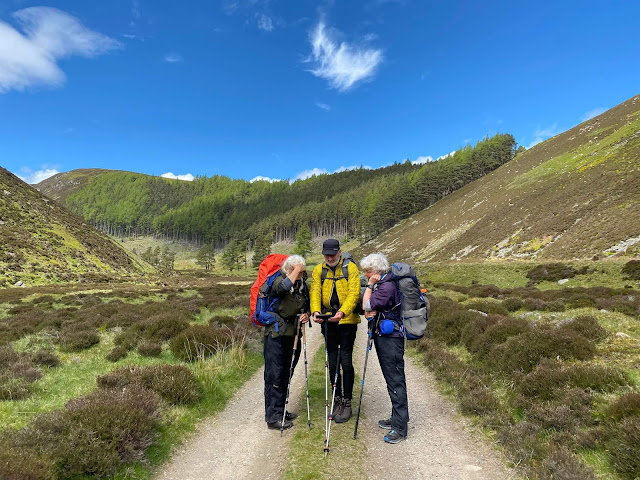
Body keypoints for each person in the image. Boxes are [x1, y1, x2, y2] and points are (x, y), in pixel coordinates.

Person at [311, 238, 361, 423]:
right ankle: (337, 398)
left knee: (345, 361)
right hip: (328, 322)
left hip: (347, 321)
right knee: (332, 362)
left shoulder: (350, 268)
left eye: (332, 254)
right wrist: (315, 311)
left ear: (339, 252)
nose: (330, 258)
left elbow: (354, 294)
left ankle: (347, 402)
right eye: (326, 255)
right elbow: (315, 291)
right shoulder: (318, 270)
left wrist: (342, 312)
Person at [361, 252, 408, 444]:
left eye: (367, 271)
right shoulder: (386, 284)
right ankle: (398, 418)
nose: (366, 274)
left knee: (395, 380)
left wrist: (370, 286)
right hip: (387, 338)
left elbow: (366, 305)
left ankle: (400, 428)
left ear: (376, 270)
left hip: (391, 340)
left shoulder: (386, 286)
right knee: (392, 380)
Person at [263, 255, 310, 430]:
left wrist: (306, 314)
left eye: (302, 270)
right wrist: (296, 269)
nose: (301, 273)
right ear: (289, 269)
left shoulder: (301, 285)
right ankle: (273, 417)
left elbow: (306, 304)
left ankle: (281, 409)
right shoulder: (277, 280)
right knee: (274, 375)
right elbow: (282, 289)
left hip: (293, 334)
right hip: (275, 335)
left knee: (286, 372)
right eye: (298, 270)